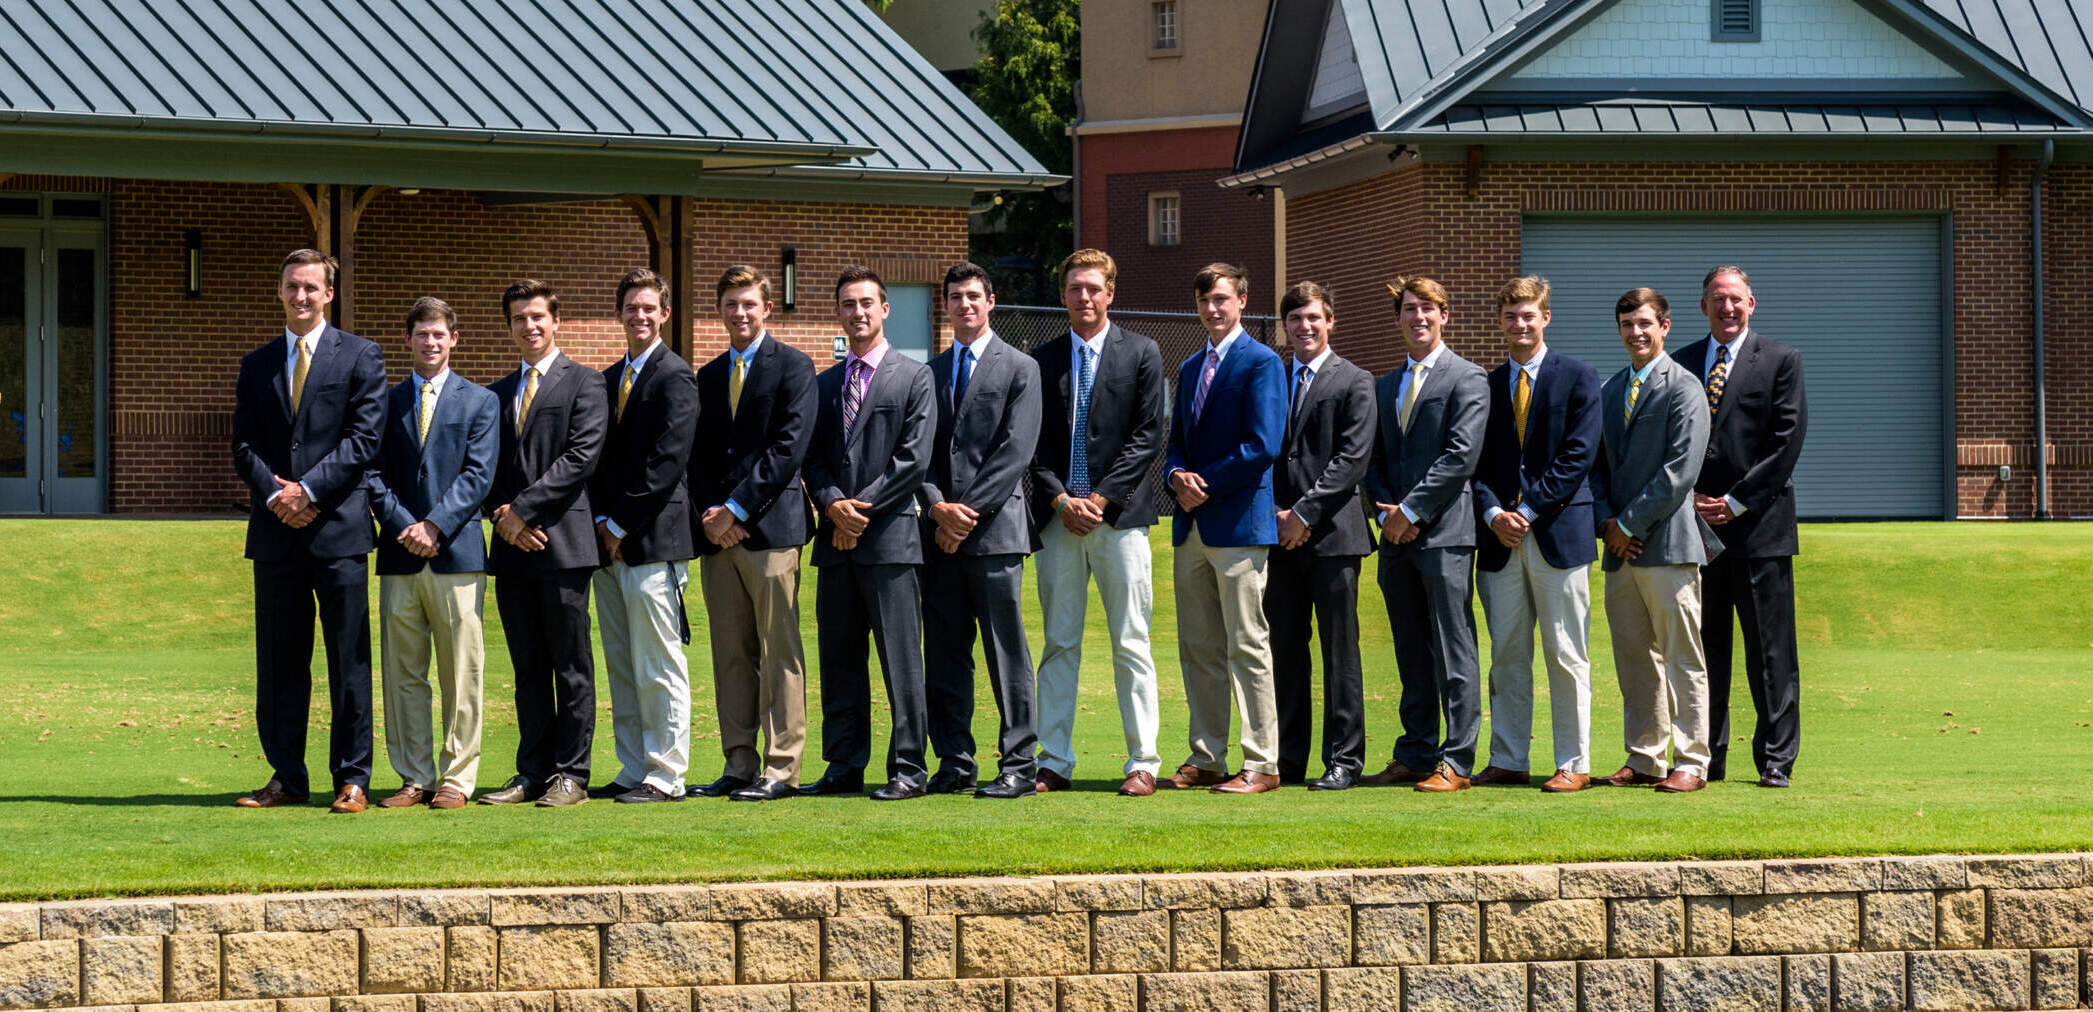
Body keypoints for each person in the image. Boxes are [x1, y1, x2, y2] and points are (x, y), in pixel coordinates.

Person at [230, 248, 387, 813]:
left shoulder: (361, 357)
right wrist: (276, 494)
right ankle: (286, 777)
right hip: (276, 535)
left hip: (338, 531)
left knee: (348, 660)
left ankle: (352, 778)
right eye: (292, 286)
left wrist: (308, 490)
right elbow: (242, 444)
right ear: (279, 292)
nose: (301, 296)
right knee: (278, 662)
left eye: (311, 288)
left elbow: (365, 440)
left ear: (329, 294)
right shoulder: (257, 364)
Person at [1027, 249, 1170, 796]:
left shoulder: (1142, 352)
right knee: (1059, 643)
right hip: (1058, 521)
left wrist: (1102, 499)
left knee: (1131, 641)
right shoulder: (1040, 360)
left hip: (1122, 521)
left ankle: (1143, 763)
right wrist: (1063, 500)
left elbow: (1147, 436)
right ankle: (1054, 761)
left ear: (1111, 292)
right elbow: (1032, 446)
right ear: (1062, 295)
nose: (1083, 297)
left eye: (1093, 288)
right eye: (1074, 288)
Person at [800, 266, 937, 801]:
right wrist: (833, 505)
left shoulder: (913, 376)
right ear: (839, 312)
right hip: (835, 545)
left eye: (866, 303)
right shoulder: (825, 383)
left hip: (891, 541)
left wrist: (862, 510)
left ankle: (908, 767)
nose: (857, 312)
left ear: (885, 309)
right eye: (848, 304)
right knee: (840, 661)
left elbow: (913, 459)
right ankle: (843, 764)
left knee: (901, 661)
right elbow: (811, 459)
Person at [1674, 265, 1808, 789]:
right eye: (1716, 299)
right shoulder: (1681, 362)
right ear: (1702, 305)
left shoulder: (1780, 362)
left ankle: (1776, 760)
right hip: (1695, 535)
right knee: (1705, 656)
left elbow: (1786, 442)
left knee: (1770, 656)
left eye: (1735, 299)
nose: (1726, 308)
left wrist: (1735, 502)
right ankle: (1707, 757)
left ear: (1752, 304)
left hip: (1760, 534)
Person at [1469, 276, 1603, 793]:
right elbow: (1474, 465)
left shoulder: (1579, 376)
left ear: (1546, 317)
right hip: (1499, 542)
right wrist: (1492, 514)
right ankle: (1508, 758)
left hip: (1558, 536)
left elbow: (1579, 456)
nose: (1519, 325)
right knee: (1506, 653)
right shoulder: (1485, 384)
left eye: (1528, 315)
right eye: (1510, 316)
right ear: (1500, 322)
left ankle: (1573, 762)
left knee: (1566, 654)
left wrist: (1526, 509)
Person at [689, 266, 818, 803]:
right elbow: (696, 457)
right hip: (719, 538)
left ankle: (781, 768)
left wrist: (737, 509)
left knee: (779, 651)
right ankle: (738, 763)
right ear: (719, 310)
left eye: (748, 303)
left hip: (771, 532)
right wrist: (711, 515)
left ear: (767, 306)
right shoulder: (709, 375)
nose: (739, 313)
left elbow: (787, 451)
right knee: (731, 653)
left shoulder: (794, 366)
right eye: (729, 304)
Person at [366, 297, 500, 811]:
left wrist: (436, 526)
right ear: (408, 340)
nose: (430, 342)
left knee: (461, 670)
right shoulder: (385, 400)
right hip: (401, 556)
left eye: (439, 334)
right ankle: (413, 775)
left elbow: (478, 476)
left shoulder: (480, 402)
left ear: (454, 340)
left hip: (457, 556)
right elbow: (372, 474)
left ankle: (457, 778)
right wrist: (406, 526)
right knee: (403, 672)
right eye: (421, 334)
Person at [480, 280, 609, 808]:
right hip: (512, 551)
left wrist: (521, 511)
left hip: (564, 545)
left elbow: (580, 458)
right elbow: (485, 467)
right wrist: (503, 518)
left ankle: (571, 775)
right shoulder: (496, 392)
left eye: (537, 316)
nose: (528, 326)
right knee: (527, 667)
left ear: (557, 321)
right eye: (518, 318)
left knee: (570, 665)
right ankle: (531, 771)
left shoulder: (585, 383)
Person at [1358, 276, 1489, 794]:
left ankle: (1456, 760)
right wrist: (1387, 510)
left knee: (1453, 649)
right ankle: (1415, 752)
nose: (1418, 317)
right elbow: (1372, 460)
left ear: (1445, 315)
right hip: (1395, 538)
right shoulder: (1384, 386)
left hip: (1445, 534)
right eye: (1409, 309)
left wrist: (1411, 510)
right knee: (1410, 650)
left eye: (1428, 309)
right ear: (1398, 319)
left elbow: (1460, 456)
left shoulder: (1467, 378)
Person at [919, 262, 1044, 800]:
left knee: (1005, 651)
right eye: (955, 297)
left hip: (994, 533)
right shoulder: (929, 370)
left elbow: (1016, 451)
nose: (964, 304)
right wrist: (935, 508)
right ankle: (955, 761)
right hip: (939, 536)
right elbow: (916, 452)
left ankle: (1018, 762)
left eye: (973, 296)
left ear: (991, 301)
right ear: (944, 306)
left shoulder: (1020, 367)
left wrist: (962, 515)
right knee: (947, 653)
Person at [1163, 262, 1288, 795]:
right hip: (1191, 528)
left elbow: (1264, 445)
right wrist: (1175, 476)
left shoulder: (1262, 363)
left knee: (1247, 646)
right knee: (1198, 648)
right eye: (1203, 301)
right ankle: (1208, 756)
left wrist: (1203, 483)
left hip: (1237, 525)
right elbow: (1175, 442)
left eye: (1220, 299)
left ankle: (1262, 763)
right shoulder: (1192, 366)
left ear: (1241, 299)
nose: (1212, 309)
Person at [1594, 287, 1722, 794]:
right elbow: (1596, 468)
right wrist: (1608, 523)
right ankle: (1645, 755)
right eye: (1627, 325)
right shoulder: (1610, 390)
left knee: (1681, 657)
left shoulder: (1684, 388)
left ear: (1664, 326)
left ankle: (1691, 760)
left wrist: (1628, 526)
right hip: (1619, 553)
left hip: (1667, 546)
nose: (1636, 333)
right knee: (1634, 658)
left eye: (1645, 323)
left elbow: (1680, 471)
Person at [589, 268, 701, 804]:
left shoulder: (676, 376)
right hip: (608, 547)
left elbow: (666, 463)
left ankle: (666, 772)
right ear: (620, 314)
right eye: (631, 307)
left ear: (665, 314)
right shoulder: (608, 379)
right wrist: (599, 526)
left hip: (654, 541)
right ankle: (634, 765)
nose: (640, 316)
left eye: (649, 308)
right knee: (622, 660)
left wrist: (617, 523)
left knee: (658, 663)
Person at [1262, 281, 1375, 791]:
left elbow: (1350, 460)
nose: (1304, 327)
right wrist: (1274, 514)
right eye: (1294, 319)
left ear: (1331, 322)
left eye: (1313, 318)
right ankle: (1288, 760)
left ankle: (1344, 760)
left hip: (1333, 537)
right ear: (1284, 327)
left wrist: (1302, 514)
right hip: (1277, 538)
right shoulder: (1271, 376)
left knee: (1339, 654)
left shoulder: (1355, 380)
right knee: (1285, 651)